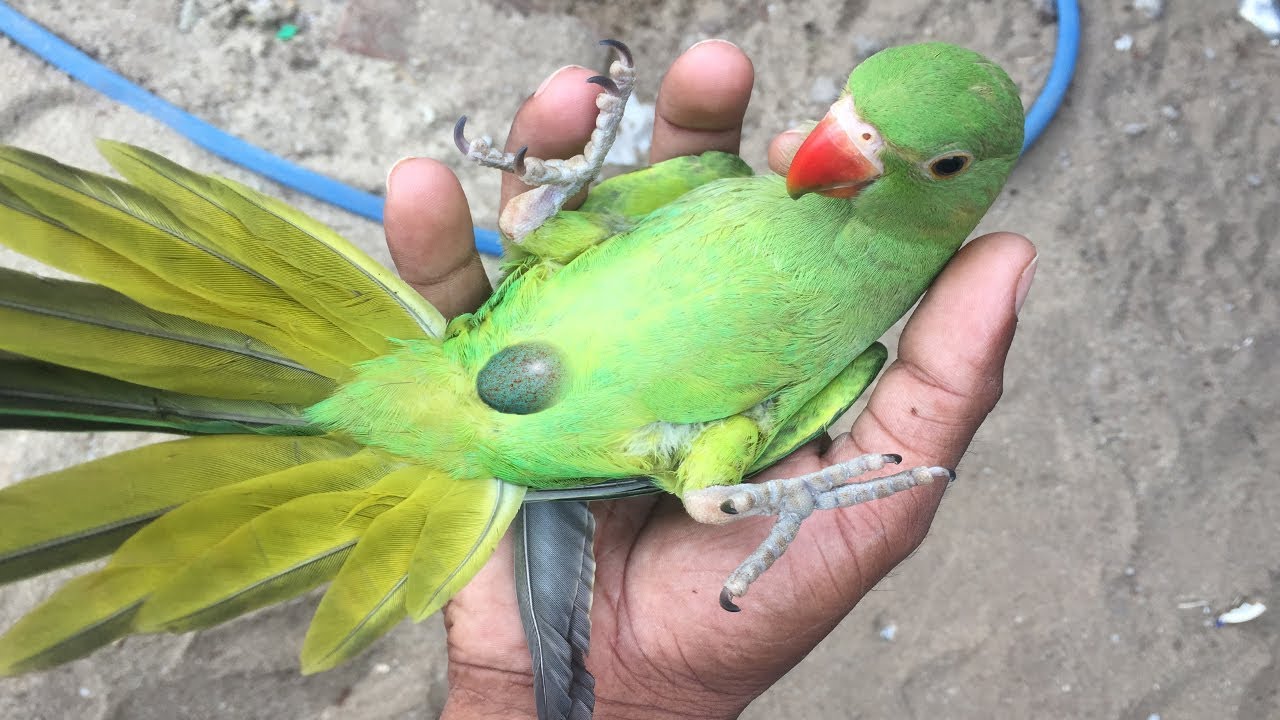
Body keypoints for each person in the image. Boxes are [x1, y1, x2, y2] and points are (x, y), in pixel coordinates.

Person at [381, 40, 1037, 719]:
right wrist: (546, 207)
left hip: (551, 449)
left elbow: (738, 434)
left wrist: (757, 501)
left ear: (971, 185)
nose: (842, 140)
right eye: (847, 110)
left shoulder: (855, 348)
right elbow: (571, 233)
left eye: (944, 166)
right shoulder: (726, 181)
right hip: (490, 358)